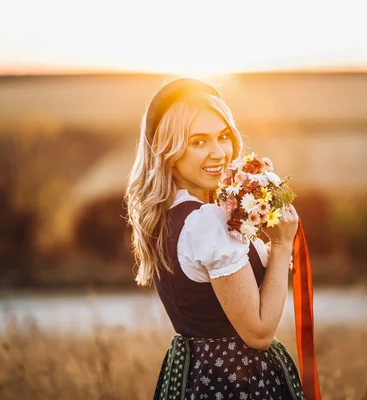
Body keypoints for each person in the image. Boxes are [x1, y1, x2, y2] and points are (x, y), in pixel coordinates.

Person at [125, 77, 307, 399]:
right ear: (169, 152)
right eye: (198, 142)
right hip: (235, 380)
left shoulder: (171, 215)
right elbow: (259, 333)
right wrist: (280, 245)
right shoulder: (205, 222)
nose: (219, 153)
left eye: (223, 137)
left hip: (196, 373)